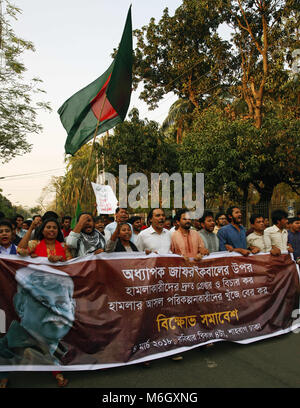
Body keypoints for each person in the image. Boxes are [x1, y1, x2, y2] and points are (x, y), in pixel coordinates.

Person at [0, 267, 75, 387]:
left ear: (72, 308)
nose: (56, 312)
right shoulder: (6, 347)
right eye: (43, 302)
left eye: (62, 303)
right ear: (20, 305)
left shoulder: (74, 348)